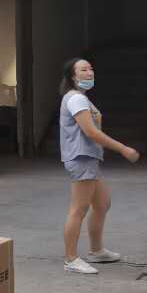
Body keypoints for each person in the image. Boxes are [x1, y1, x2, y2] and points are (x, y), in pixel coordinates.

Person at [59, 57, 139, 275]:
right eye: (83, 70)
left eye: (91, 69)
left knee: (102, 203)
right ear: (72, 76)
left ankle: (96, 251)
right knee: (78, 209)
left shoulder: (81, 98)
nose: (90, 73)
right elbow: (91, 132)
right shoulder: (76, 99)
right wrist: (123, 149)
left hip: (89, 158)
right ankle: (71, 259)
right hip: (81, 158)